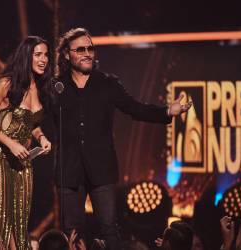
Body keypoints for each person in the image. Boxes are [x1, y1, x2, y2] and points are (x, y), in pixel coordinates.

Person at [53, 27, 192, 250]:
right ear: (67, 55)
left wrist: (167, 112)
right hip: (69, 170)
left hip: (102, 169)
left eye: (91, 48)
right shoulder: (56, 87)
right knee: (71, 232)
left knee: (109, 229)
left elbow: (135, 108)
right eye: (81, 49)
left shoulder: (108, 84)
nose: (88, 53)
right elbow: (36, 114)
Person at [0, 36, 53, 250]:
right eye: (38, 54)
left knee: (19, 221)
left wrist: (42, 138)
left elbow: (30, 123)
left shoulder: (41, 89)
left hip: (23, 161)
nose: (43, 59)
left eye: (46, 55)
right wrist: (11, 143)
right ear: (26, 56)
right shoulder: (6, 84)